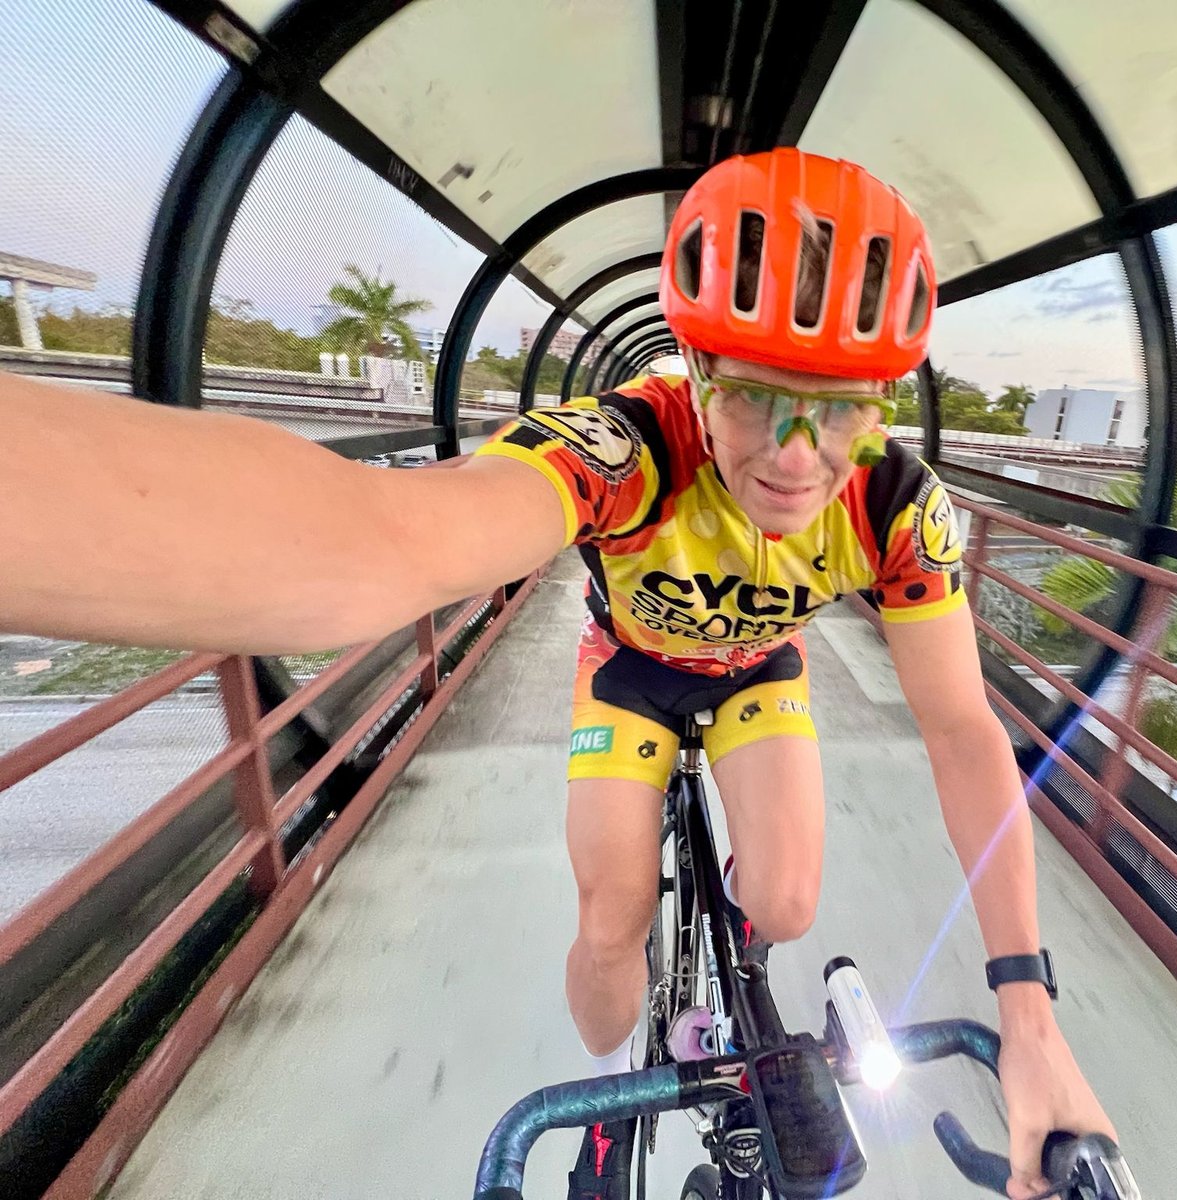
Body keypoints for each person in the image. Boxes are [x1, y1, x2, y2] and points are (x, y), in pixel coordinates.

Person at [0, 148, 1115, 1200]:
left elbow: (962, 731)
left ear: (880, 403)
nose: (792, 455)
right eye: (751, 394)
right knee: (610, 922)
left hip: (752, 674)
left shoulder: (896, 506)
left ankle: (729, 949)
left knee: (784, 900)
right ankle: (608, 1097)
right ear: (696, 371)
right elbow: (383, 536)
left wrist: (1031, 1019)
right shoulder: (629, 447)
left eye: (837, 408)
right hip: (630, 668)